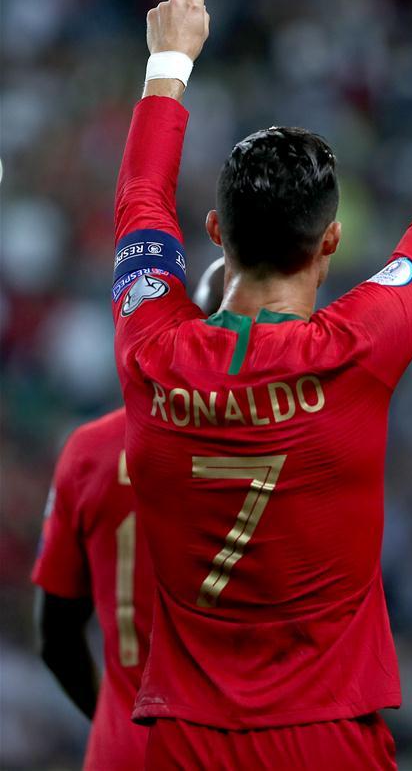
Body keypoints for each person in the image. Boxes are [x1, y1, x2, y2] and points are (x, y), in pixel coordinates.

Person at [111, 0, 412, 769]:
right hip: (330, 737)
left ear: (216, 232)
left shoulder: (149, 348)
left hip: (185, 743)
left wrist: (169, 62)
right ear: (331, 241)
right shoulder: (357, 349)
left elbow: (139, 204)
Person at [32, 260, 224, 770]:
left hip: (127, 750)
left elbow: (55, 638)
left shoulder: (90, 451)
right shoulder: (297, 448)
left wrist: (114, 720)